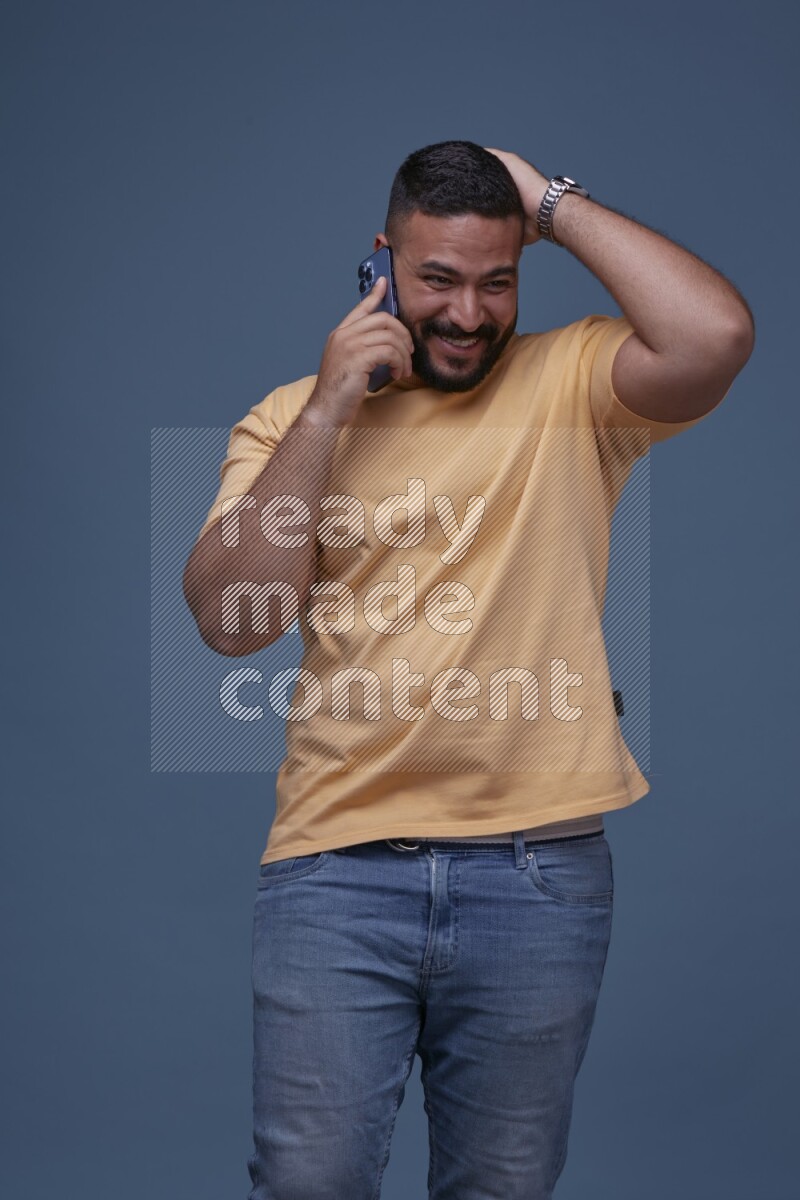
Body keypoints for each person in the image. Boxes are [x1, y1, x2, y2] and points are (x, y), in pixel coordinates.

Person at [183, 141, 754, 1199]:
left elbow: (714, 334)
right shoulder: (285, 420)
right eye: (436, 278)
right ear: (379, 266)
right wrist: (327, 410)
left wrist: (548, 199)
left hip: (534, 878)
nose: (466, 312)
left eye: (496, 279)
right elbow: (229, 620)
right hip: (335, 873)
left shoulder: (572, 380)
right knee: (307, 1185)